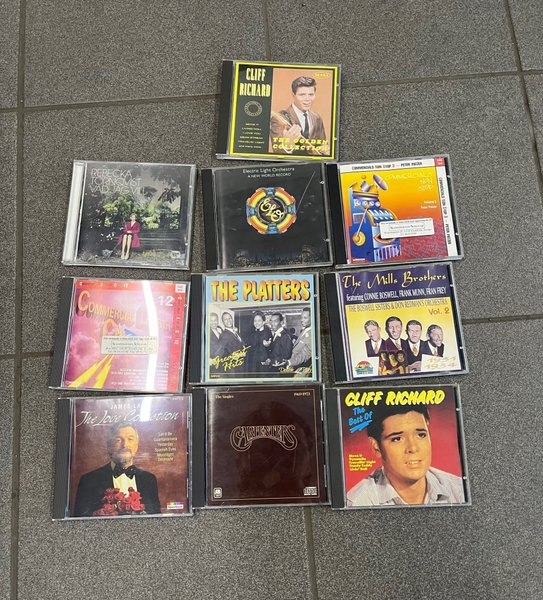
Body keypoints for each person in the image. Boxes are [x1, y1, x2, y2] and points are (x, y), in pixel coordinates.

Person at [346, 404, 465, 506]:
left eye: (421, 435)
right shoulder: (359, 501)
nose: (413, 448)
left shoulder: (459, 489)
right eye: (397, 439)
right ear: (376, 447)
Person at [74, 422, 161, 517]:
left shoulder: (149, 479)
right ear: (109, 446)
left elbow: (156, 519)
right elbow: (81, 522)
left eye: (130, 439)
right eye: (118, 440)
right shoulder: (89, 480)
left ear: (136, 446)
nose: (125, 445)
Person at [270, 76, 328, 156]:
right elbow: (278, 153)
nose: (307, 99)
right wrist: (287, 145)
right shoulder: (279, 119)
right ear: (293, 95)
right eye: (302, 95)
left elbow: (323, 144)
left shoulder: (317, 118)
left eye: (311, 94)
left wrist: (325, 150)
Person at [286, 307, 313, 375]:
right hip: (294, 366)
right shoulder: (305, 330)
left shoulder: (312, 333)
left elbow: (305, 355)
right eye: (301, 317)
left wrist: (290, 362)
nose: (301, 320)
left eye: (305, 318)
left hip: (301, 369)